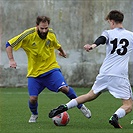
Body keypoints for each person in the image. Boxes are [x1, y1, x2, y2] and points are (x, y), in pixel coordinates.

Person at [49, 10, 133, 128]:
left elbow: (101, 39)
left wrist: (92, 46)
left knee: (90, 96)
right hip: (119, 75)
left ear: (112, 22)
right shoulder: (131, 35)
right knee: (128, 105)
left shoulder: (108, 33)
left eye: (109, 22)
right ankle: (115, 116)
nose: (109, 24)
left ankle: (65, 106)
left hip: (104, 72)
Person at [6, 16, 91, 123]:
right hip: (34, 74)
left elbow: (57, 45)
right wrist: (11, 60)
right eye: (42, 28)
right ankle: (34, 114)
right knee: (33, 99)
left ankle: (81, 106)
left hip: (51, 69)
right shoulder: (28, 35)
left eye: (46, 28)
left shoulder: (51, 34)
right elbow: (9, 44)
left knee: (64, 88)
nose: (44, 31)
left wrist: (62, 52)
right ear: (37, 26)